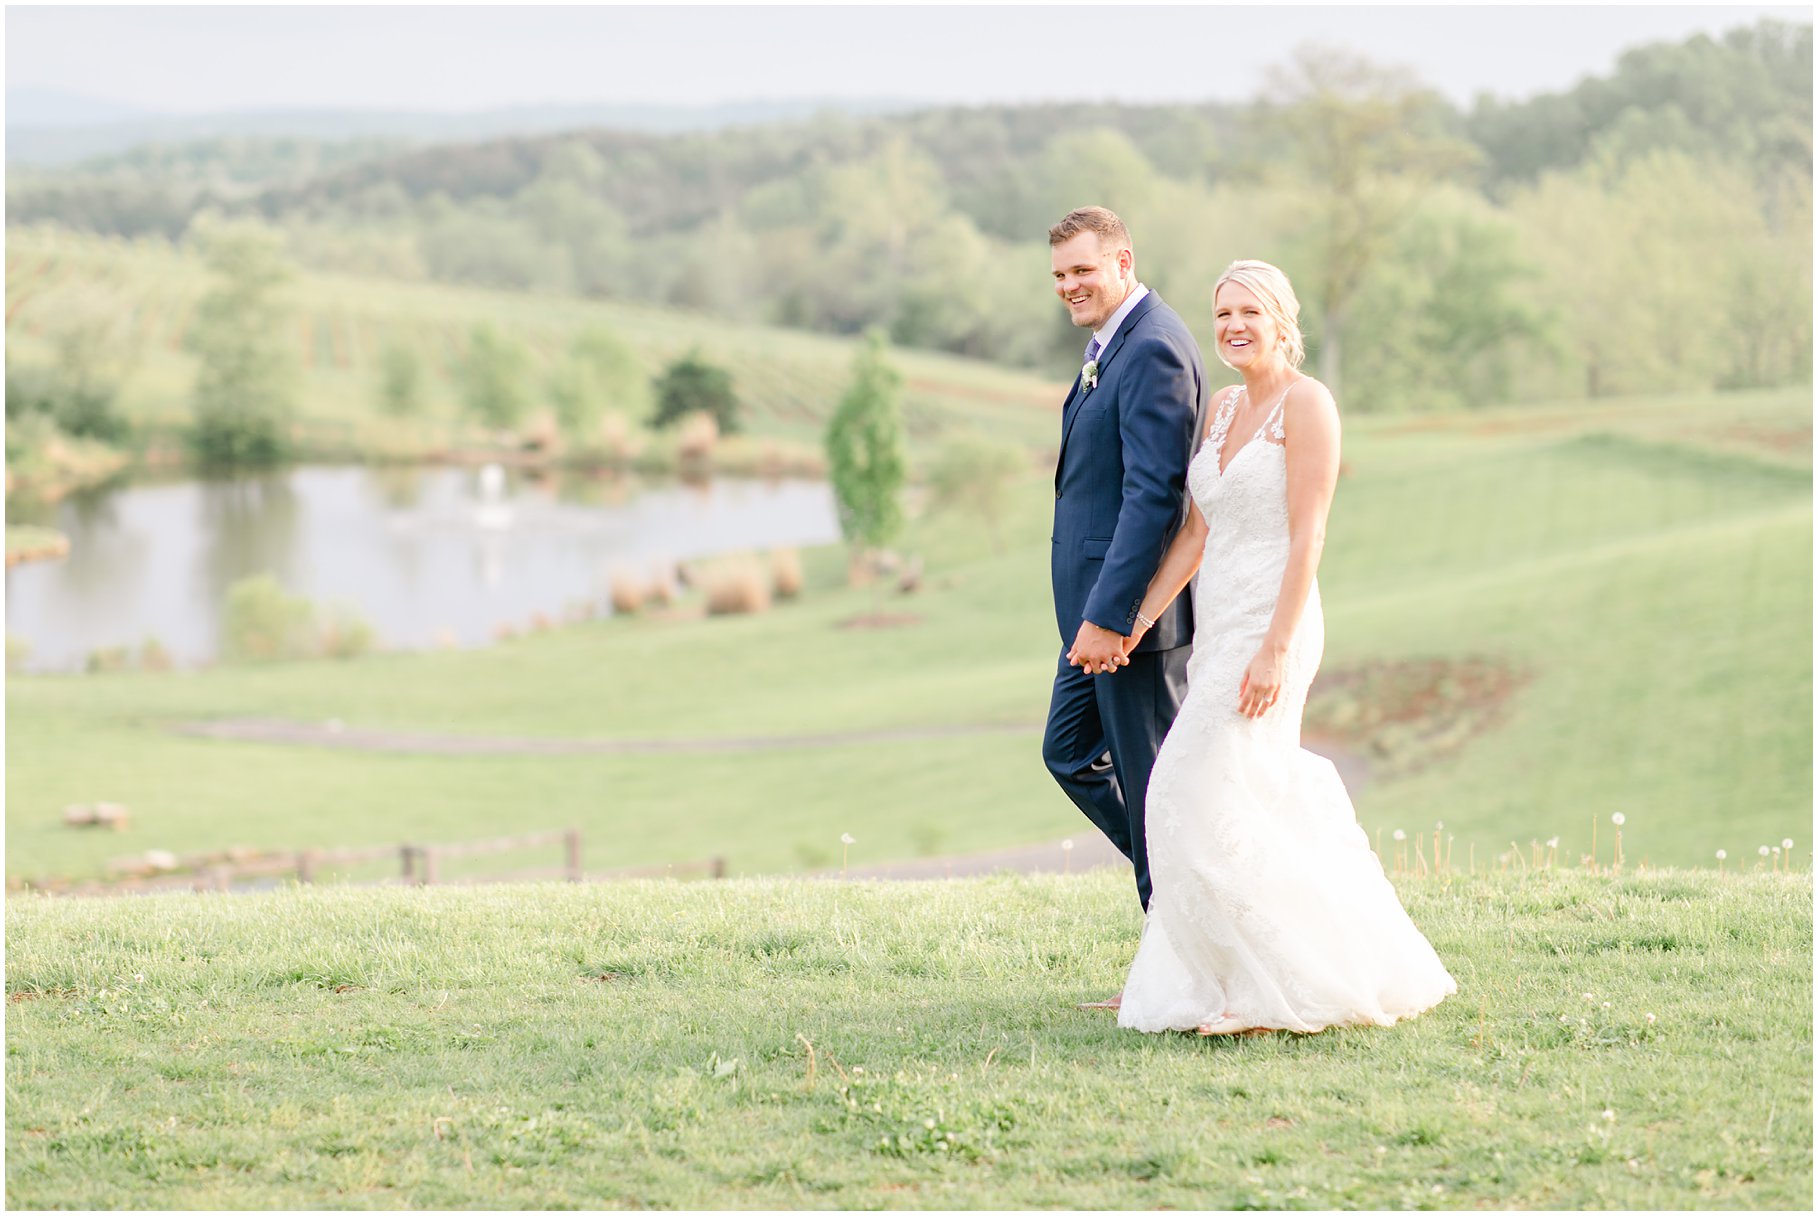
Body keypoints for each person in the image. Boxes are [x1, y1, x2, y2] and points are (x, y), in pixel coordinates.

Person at [1108, 259, 1457, 1036]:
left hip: (1275, 624)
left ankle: (1268, 994)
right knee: (1236, 795)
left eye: (1249, 313)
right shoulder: (1225, 408)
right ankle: (1238, 977)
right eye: (1223, 312)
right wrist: (1136, 621)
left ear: (1281, 321)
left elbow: (1310, 534)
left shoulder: (1308, 405)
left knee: (1189, 790)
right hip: (1219, 624)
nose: (1233, 326)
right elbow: (1197, 533)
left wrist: (1275, 647)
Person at [1042, 206, 1210, 938]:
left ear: (1122, 262)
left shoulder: (1152, 350)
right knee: (1070, 751)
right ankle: (1182, 890)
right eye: (1058, 275)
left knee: (1154, 791)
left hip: (1130, 622)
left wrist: (1115, 619)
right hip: (1094, 617)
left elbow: (1153, 498)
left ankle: (1189, 941)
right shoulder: (1115, 344)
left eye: (1082, 270)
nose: (1068, 286)